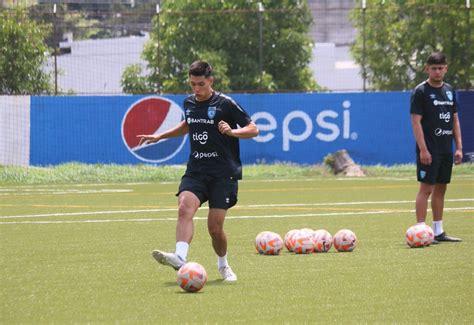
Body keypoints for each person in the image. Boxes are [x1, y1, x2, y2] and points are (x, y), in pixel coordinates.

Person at [137, 60, 259, 281]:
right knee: (184, 208)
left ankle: (223, 265)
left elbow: (253, 129)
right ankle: (180, 258)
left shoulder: (226, 104)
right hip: (196, 170)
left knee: (214, 228)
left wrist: (232, 132)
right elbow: (187, 125)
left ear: (210, 81)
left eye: (201, 84)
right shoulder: (189, 103)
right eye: (192, 84)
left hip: (223, 173)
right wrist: (159, 136)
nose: (196, 89)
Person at [410, 52, 463, 243]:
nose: (437, 71)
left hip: (445, 150)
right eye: (434, 68)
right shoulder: (420, 92)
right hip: (429, 150)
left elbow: (455, 119)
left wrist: (458, 147)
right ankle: (421, 231)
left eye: (441, 68)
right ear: (427, 69)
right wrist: (423, 149)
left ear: (446, 68)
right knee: (426, 189)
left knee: (441, 189)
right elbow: (416, 122)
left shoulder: (449, 90)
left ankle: (438, 231)